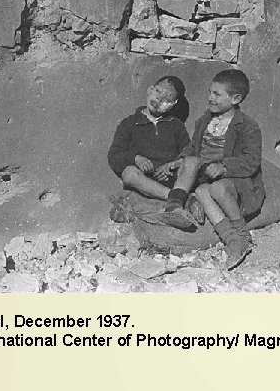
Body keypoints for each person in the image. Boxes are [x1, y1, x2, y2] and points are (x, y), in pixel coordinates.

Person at [162, 69, 265, 269]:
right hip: (206, 177)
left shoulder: (247, 126)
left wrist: (224, 166)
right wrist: (180, 160)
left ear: (236, 99)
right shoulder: (205, 120)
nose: (210, 98)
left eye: (217, 94)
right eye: (210, 92)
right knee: (201, 191)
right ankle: (231, 239)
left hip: (235, 180)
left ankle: (242, 235)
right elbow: (194, 147)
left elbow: (251, 161)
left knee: (217, 189)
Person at [107, 76, 198, 229]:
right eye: (158, 91)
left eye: (167, 99)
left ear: (173, 105)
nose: (159, 99)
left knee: (193, 162)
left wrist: (174, 164)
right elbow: (114, 155)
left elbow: (188, 152)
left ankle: (175, 200)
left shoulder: (176, 126)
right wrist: (136, 159)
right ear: (149, 89)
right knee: (129, 174)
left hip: (171, 178)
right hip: (145, 180)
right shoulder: (130, 123)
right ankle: (177, 199)